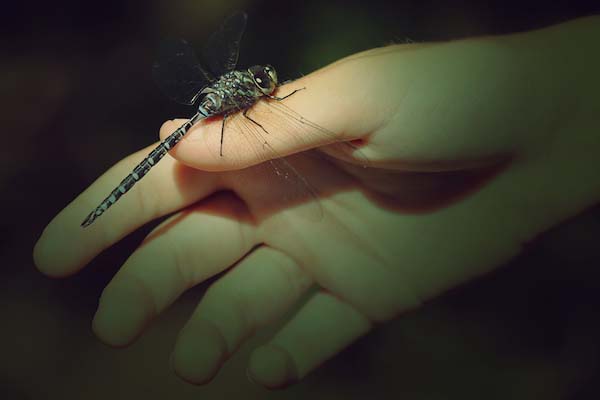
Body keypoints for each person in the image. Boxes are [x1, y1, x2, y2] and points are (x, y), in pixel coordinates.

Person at [33, 15, 600, 389]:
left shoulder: (243, 92)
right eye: (263, 81)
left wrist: (556, 98)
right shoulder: (260, 104)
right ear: (255, 88)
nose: (268, 83)